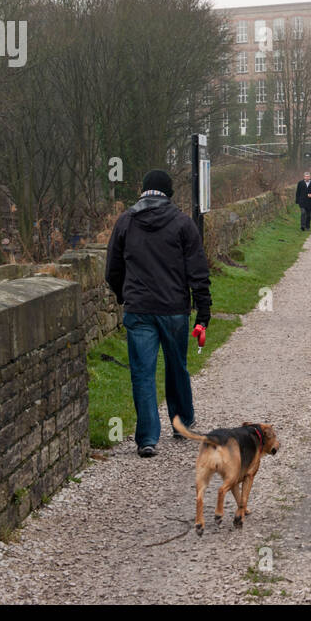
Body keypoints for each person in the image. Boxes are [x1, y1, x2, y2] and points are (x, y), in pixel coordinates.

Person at [105, 169, 211, 458]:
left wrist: (123, 295)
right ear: (169, 193)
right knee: (177, 366)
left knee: (142, 372)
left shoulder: (125, 221)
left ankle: (148, 438)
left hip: (139, 309)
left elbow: (112, 269)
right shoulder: (182, 223)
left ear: (143, 190)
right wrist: (203, 311)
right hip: (174, 308)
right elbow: (198, 271)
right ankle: (181, 424)